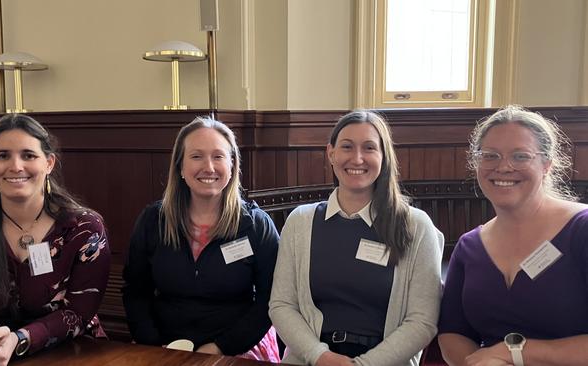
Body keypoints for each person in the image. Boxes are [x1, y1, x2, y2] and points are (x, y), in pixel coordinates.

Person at [269, 110, 444, 366]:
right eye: (347, 147)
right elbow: (282, 305)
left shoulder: (416, 226)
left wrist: (363, 365)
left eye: (369, 148)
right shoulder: (300, 222)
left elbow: (423, 321)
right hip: (310, 359)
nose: (357, 158)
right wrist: (320, 356)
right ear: (331, 153)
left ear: (384, 157)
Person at [0, 114, 111, 366]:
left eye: (28, 155)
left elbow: (78, 313)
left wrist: (17, 340)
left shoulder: (84, 229)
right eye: (3, 155)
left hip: (72, 353)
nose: (16, 166)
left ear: (49, 163)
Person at [438, 105, 588, 366]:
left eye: (520, 156)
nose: (504, 167)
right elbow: (453, 332)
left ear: (547, 164)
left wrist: (512, 353)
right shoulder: (470, 246)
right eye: (490, 155)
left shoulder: (581, 229)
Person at [122, 116, 280, 361]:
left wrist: (219, 348)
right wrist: (153, 345)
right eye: (196, 156)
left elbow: (270, 300)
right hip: (163, 345)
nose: (209, 167)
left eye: (218, 156)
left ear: (232, 165)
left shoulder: (257, 225)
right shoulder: (153, 221)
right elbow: (136, 292)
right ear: (180, 167)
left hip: (236, 346)